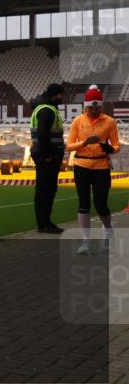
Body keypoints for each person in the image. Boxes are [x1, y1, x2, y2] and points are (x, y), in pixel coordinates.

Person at [66, 84, 121, 255]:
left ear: (101, 106)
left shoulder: (110, 122)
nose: (94, 111)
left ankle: (108, 231)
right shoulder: (78, 121)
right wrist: (84, 143)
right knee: (84, 204)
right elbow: (68, 146)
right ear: (86, 106)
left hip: (101, 166)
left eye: (97, 108)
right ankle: (86, 241)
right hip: (81, 166)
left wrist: (110, 149)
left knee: (101, 204)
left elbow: (117, 145)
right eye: (91, 108)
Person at [30, 83, 66, 233]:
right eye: (60, 95)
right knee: (46, 190)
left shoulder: (42, 108)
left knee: (46, 189)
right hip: (47, 157)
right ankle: (44, 224)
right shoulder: (47, 110)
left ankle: (45, 222)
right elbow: (43, 135)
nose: (62, 97)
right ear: (55, 94)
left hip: (43, 154)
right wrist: (49, 156)